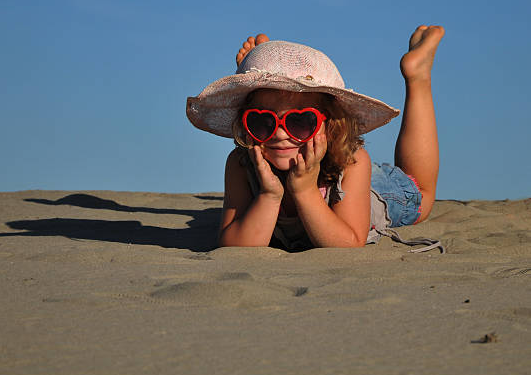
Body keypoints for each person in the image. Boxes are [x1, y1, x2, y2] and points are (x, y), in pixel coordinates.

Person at [186, 26, 445, 251]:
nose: (279, 133)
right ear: (245, 122)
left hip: (351, 182)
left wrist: (305, 191)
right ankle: (270, 70)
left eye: (299, 121)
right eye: (261, 120)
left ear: (330, 124)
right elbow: (232, 243)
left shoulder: (353, 164)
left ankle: (417, 78)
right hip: (308, 173)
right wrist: (269, 195)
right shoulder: (241, 164)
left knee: (421, 192)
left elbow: (349, 241)